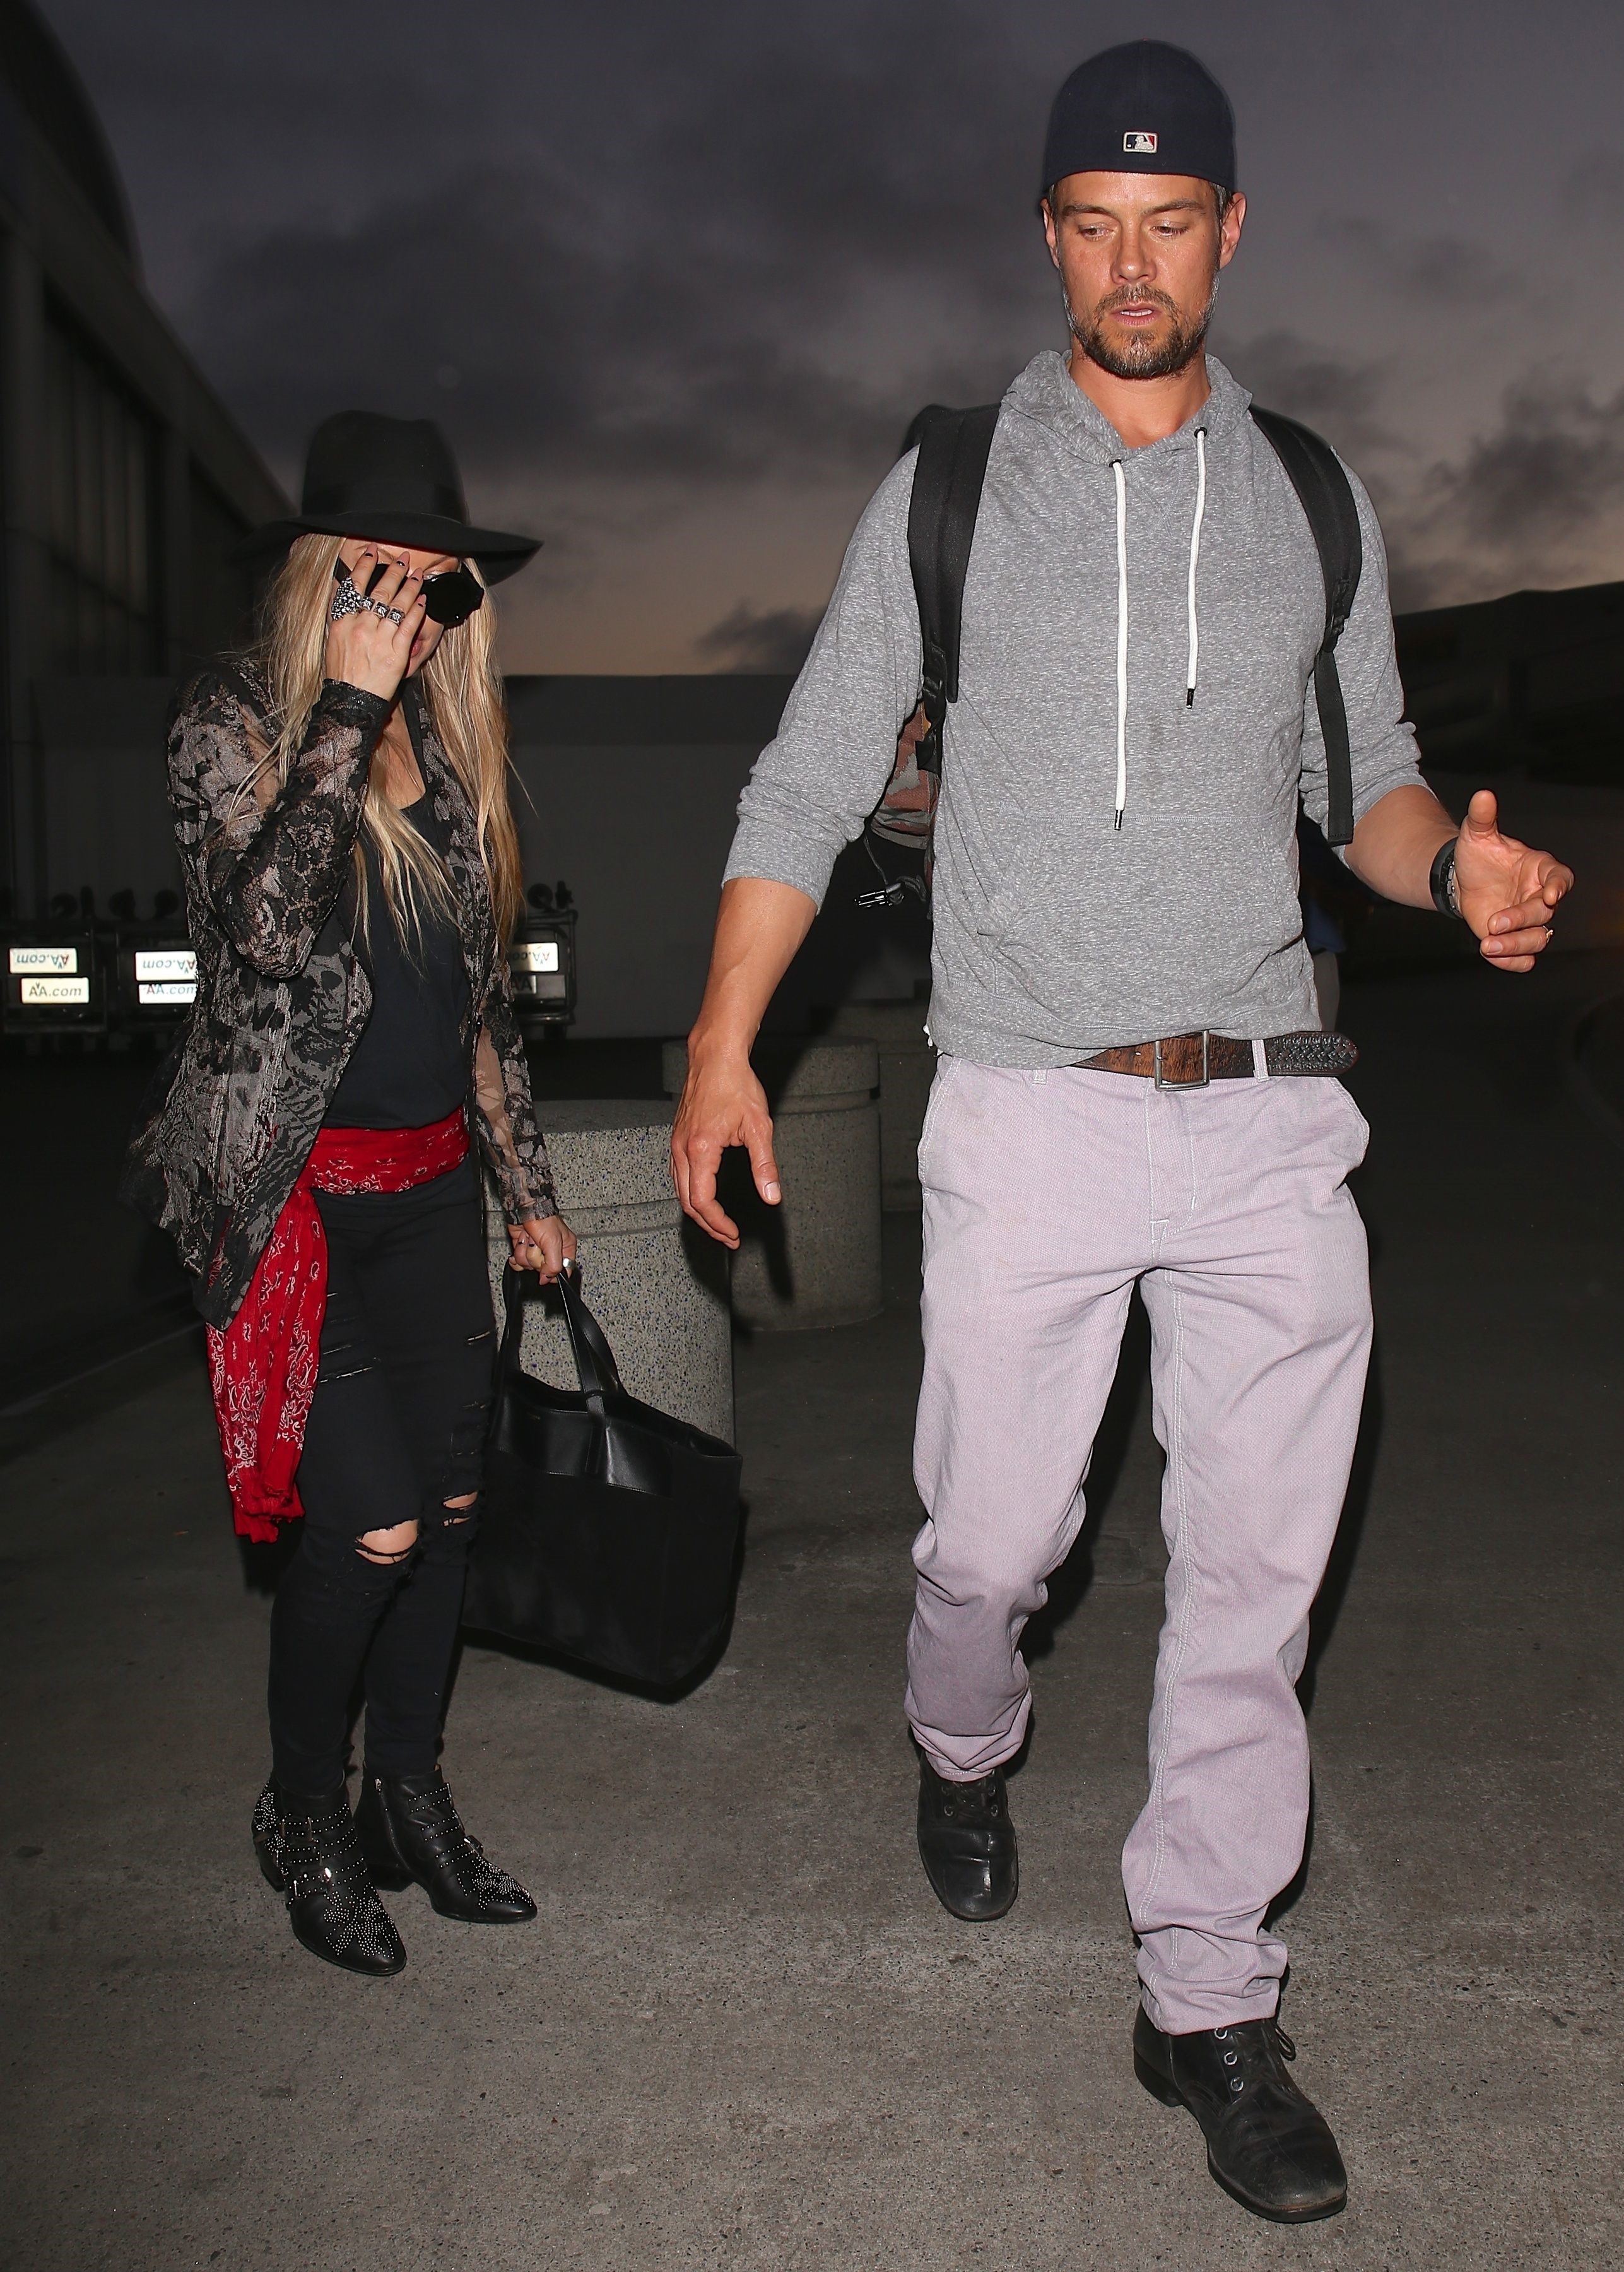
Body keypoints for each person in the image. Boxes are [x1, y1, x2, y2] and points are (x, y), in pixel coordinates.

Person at [671, 42, 1573, 2225]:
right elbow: (806, 774)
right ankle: (962, 1744)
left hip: (1266, 1113)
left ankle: (1206, 1995)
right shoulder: (953, 484)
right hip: (1025, 1109)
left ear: (1232, 231)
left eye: (1171, 222)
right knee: (991, 1550)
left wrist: (1446, 865)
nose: (1132, 261)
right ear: (1048, 233)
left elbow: (1358, 786)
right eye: (1093, 221)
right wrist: (718, 1045)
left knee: (1250, 1596)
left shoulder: (1313, 498)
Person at [123, 412, 576, 1979]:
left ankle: (411, 1797)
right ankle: (302, 1814)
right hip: (287, 1200)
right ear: (327, 570)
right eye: (385, 575)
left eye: (436, 584)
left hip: (428, 1190)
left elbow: (476, 1010)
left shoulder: (446, 753)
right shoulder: (233, 726)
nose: (412, 606)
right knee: (371, 1526)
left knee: (448, 1516)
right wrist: (346, 705)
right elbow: (259, 937)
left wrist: (526, 1187)